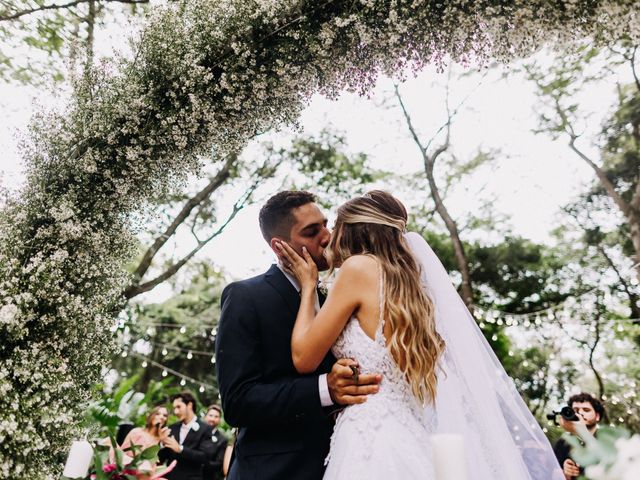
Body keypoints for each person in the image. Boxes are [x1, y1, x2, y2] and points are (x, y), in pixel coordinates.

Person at [277, 190, 565, 479]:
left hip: (372, 437)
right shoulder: (410, 286)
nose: (329, 236)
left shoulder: (358, 268)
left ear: (353, 231)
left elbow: (304, 358)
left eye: (336, 225)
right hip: (408, 431)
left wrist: (308, 286)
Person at [215, 190, 382, 480]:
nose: (328, 236)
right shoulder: (246, 297)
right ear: (280, 247)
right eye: (311, 232)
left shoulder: (340, 294)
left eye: (326, 224)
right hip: (274, 471)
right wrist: (323, 389)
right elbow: (238, 401)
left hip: (348, 460)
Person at [159, 392, 215, 480]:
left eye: (179, 407)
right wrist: (162, 443)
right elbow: (163, 458)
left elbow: (204, 457)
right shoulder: (172, 428)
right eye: (174, 408)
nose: (175, 412)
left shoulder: (206, 428)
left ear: (189, 405)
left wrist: (180, 449)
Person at [553, 392, 604, 480]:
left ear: (597, 416)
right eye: (575, 410)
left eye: (586, 410)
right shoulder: (562, 442)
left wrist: (582, 432)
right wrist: (565, 474)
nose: (580, 413)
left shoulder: (607, 439)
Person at [202, 405, 227, 480]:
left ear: (219, 419)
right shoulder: (196, 432)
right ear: (206, 416)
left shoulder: (222, 440)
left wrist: (201, 463)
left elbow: (219, 464)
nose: (212, 419)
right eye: (210, 415)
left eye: (216, 416)